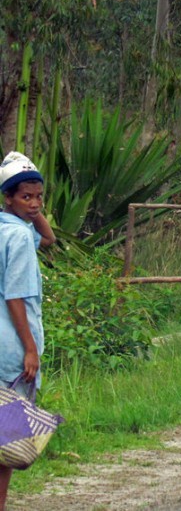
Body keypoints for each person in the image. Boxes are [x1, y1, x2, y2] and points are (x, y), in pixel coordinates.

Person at [0, 152, 56, 510]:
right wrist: (30, 349)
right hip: (12, 355)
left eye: (39, 197)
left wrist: (32, 210)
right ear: (8, 198)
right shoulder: (19, 237)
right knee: (6, 444)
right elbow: (15, 296)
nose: (34, 204)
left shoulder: (9, 227)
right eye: (26, 197)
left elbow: (48, 239)